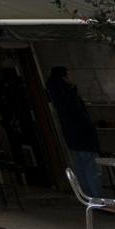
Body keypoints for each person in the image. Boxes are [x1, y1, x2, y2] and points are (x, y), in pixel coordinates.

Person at [47, 66, 103, 197]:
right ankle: (97, 198)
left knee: (81, 168)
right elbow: (80, 115)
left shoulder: (57, 95)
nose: (71, 77)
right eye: (68, 75)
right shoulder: (68, 95)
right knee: (91, 169)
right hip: (83, 137)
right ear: (64, 77)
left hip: (72, 138)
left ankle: (87, 196)